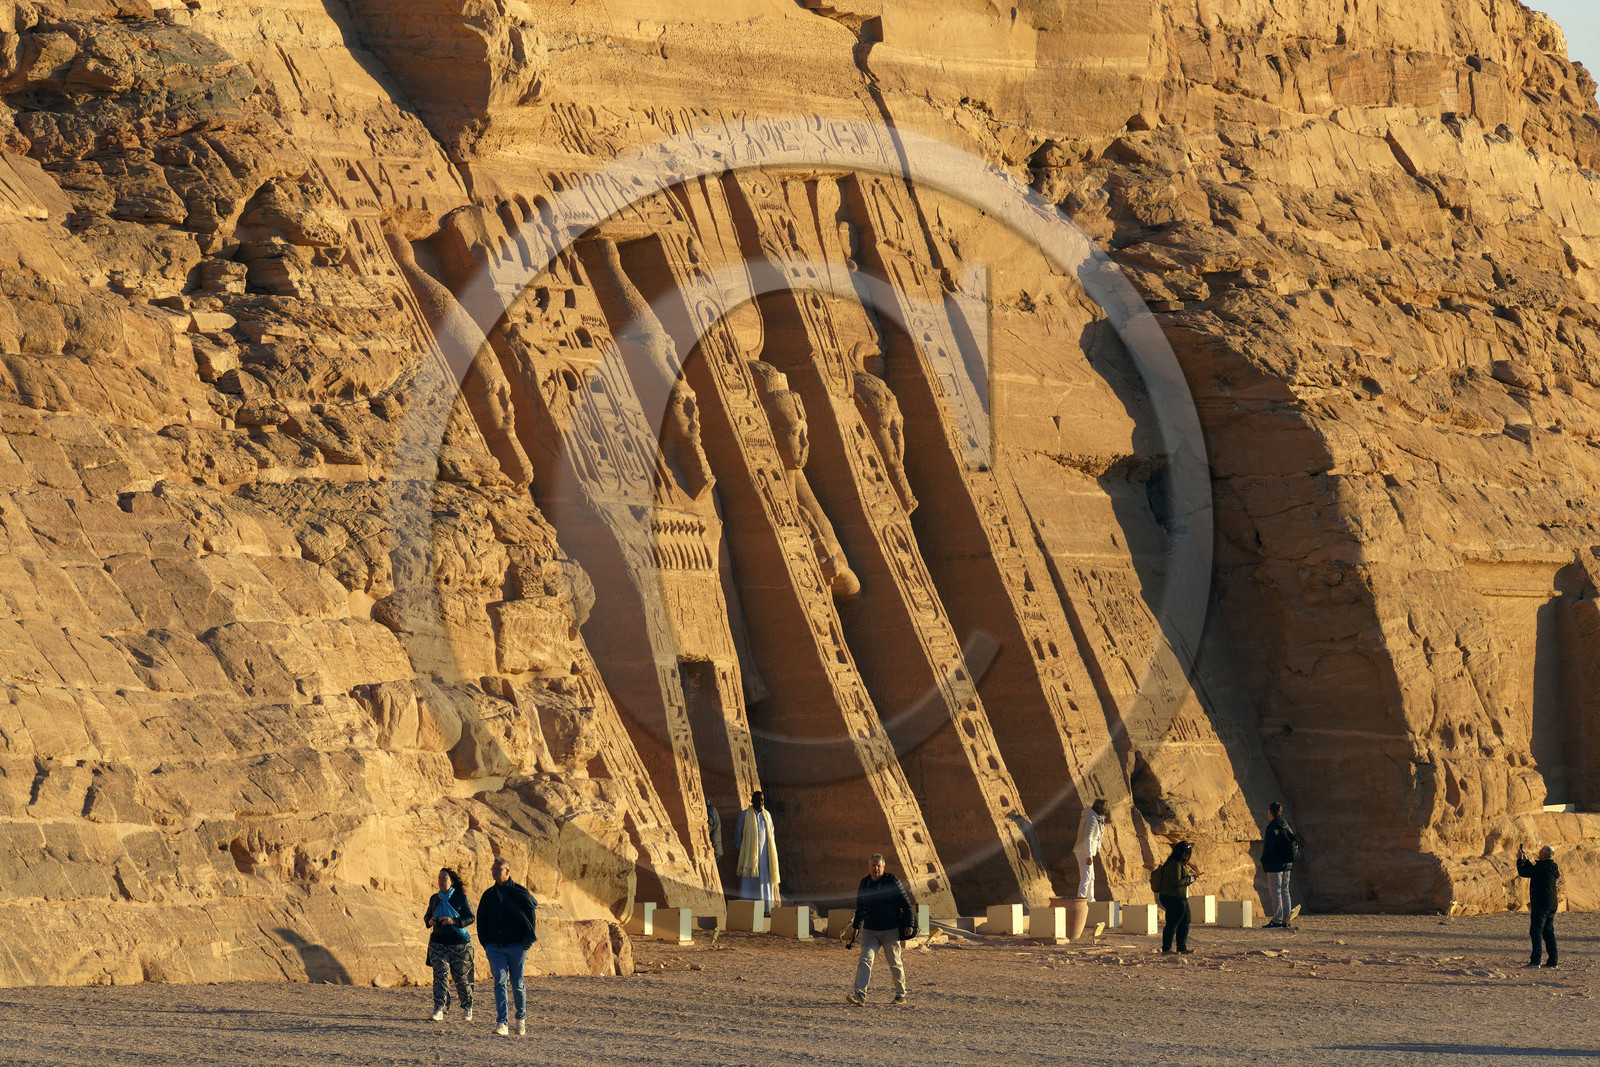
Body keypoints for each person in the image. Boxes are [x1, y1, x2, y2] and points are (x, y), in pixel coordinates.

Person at [478, 856, 538, 1036]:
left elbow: (531, 916)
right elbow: (481, 920)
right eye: (493, 869)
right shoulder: (488, 895)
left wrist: (526, 943)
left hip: (517, 947)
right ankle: (502, 1022)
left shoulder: (520, 893)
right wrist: (486, 944)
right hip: (495, 948)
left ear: (508, 872)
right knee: (499, 983)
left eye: (499, 869)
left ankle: (520, 1020)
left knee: (518, 984)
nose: (495, 872)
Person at [847, 853, 916, 1006]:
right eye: (873, 865)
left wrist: (908, 924)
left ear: (883, 867)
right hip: (870, 930)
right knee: (865, 959)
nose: (876, 868)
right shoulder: (864, 883)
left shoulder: (892, 881)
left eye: (878, 865)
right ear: (869, 866)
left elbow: (906, 903)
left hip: (890, 929)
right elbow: (860, 907)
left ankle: (900, 994)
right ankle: (860, 994)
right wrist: (856, 927)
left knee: (894, 962)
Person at [423, 867, 474, 1022]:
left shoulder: (461, 898)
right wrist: (430, 921)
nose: (440, 881)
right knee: (440, 976)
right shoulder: (434, 899)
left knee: (461, 979)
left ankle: (467, 1006)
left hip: (459, 944)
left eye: (444, 878)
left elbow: (471, 917)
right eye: (439, 878)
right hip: (438, 944)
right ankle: (439, 1009)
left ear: (451, 881)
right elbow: (426, 917)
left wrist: (453, 921)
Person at [734, 790, 780, 912]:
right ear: (752, 800)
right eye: (757, 799)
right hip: (749, 859)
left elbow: (772, 835)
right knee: (749, 884)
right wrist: (746, 853)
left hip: (765, 857)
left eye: (762, 800)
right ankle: (748, 910)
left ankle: (766, 910)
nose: (760, 802)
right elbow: (738, 837)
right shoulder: (744, 816)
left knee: (765, 883)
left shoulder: (767, 816)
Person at [1517, 844, 1560, 968]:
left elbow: (1524, 872)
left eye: (1541, 851)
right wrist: (1526, 861)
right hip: (1551, 904)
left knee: (1536, 931)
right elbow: (1534, 871)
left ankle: (1536, 961)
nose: (1539, 852)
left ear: (1544, 855)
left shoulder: (1542, 867)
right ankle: (1553, 961)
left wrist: (1519, 860)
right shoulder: (1551, 867)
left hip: (1541, 904)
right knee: (1548, 932)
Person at [1155, 840, 1198, 954]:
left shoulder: (1179, 863)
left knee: (1185, 921)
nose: (1187, 856)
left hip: (1180, 897)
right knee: (1172, 923)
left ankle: (1181, 947)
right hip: (1173, 897)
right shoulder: (1174, 863)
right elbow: (1176, 882)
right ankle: (1167, 948)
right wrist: (1191, 879)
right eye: (1186, 853)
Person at [1261, 801, 1298, 929]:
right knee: (1285, 890)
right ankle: (1286, 920)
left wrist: (1264, 860)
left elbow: (1269, 848)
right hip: (1287, 863)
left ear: (1270, 812)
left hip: (1275, 865)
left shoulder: (1272, 827)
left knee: (1275, 891)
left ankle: (1277, 920)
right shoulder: (1286, 825)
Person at [1073, 798, 1108, 900]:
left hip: (1086, 850)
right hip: (1084, 851)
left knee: (1091, 877)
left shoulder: (1094, 818)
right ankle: (1081, 900)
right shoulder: (1092, 819)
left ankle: (1090, 901)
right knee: (1086, 877)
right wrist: (1088, 855)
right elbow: (1087, 837)